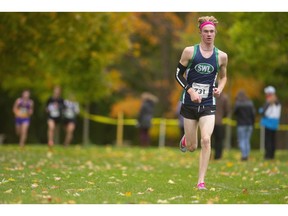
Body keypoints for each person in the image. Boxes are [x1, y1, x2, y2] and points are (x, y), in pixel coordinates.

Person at [175, 16, 228, 190]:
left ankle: (201, 181)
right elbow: (177, 75)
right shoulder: (190, 52)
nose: (209, 34)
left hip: (208, 103)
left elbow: (224, 76)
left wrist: (219, 88)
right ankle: (186, 140)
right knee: (192, 147)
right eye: (205, 31)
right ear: (200, 32)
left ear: (215, 33)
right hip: (189, 104)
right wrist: (190, 91)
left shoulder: (221, 56)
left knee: (206, 140)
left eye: (212, 31)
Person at [259, 86, 281, 160]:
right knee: (273, 140)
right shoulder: (278, 102)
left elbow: (263, 112)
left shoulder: (269, 102)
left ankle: (268, 155)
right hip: (275, 123)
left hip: (268, 123)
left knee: (268, 140)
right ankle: (272, 155)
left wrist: (261, 110)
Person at [233, 90, 255, 161]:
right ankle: (246, 154)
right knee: (247, 140)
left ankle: (244, 155)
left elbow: (234, 113)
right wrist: (252, 123)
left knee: (241, 140)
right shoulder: (250, 103)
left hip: (241, 124)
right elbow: (253, 114)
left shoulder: (238, 104)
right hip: (249, 124)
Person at [212, 92, 229, 160]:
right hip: (219, 122)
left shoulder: (209, 96)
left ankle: (208, 155)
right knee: (219, 140)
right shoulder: (224, 98)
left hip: (208, 121)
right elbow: (227, 110)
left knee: (208, 139)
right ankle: (218, 156)